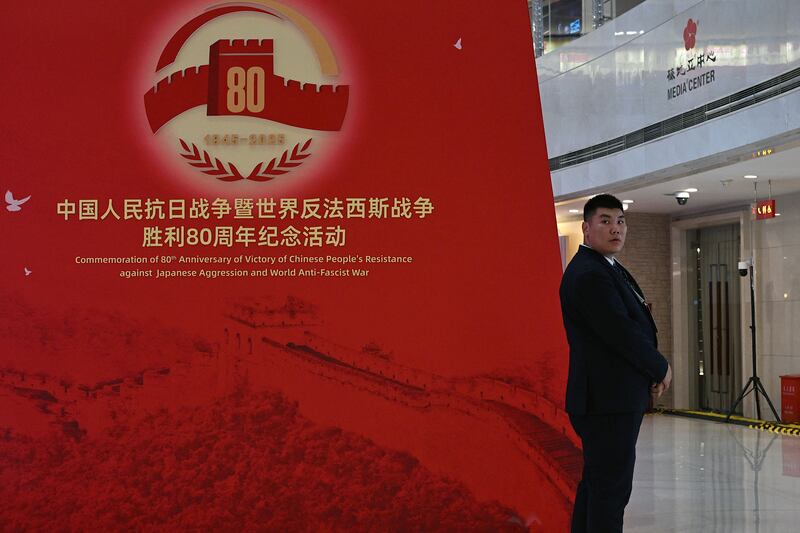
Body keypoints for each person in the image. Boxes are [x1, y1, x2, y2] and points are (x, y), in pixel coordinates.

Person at [559, 194, 672, 533]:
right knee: (610, 492)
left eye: (620, 221)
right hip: (607, 403)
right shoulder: (591, 274)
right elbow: (620, 333)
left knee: (598, 486)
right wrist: (660, 367)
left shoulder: (604, 267)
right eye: (605, 221)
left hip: (607, 400)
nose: (615, 228)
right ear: (586, 228)